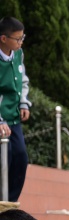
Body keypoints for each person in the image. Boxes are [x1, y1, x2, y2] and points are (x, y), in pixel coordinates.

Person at [0, 17, 31, 202]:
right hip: (1, 120)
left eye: (22, 38)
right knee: (6, 156)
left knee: (20, 157)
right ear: (3, 38)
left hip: (13, 118)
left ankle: (9, 204)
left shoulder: (18, 54)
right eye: (17, 39)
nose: (21, 42)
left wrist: (23, 102)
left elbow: (22, 79)